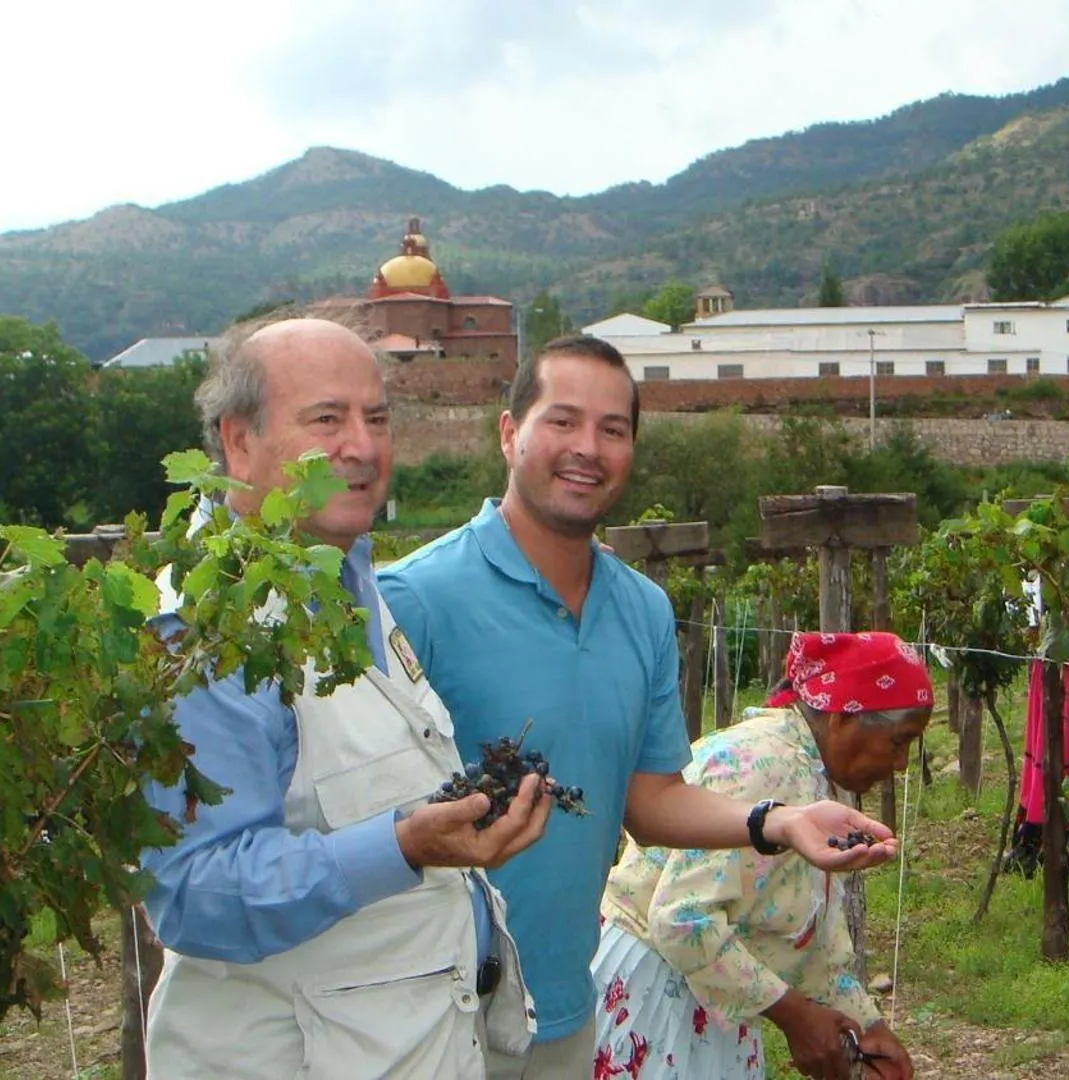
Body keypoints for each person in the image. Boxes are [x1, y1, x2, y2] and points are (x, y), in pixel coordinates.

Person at [378, 335, 898, 1078]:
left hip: (564, 1003)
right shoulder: (415, 600)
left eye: (611, 429)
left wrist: (776, 821)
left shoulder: (642, 610)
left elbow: (649, 801)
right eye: (561, 421)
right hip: (429, 1011)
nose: (586, 447)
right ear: (507, 432)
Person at [138, 317, 551, 1080]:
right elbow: (192, 893)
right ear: (237, 442)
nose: (361, 446)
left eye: (377, 418)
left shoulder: (347, 574)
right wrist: (402, 846)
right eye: (326, 419)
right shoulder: (202, 631)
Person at [591, 631, 927, 1080]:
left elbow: (804, 932)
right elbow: (682, 921)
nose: (901, 764)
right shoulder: (772, 767)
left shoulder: (806, 770)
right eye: (898, 742)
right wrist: (795, 1016)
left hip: (704, 992)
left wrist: (868, 1026)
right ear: (843, 720)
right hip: (655, 994)